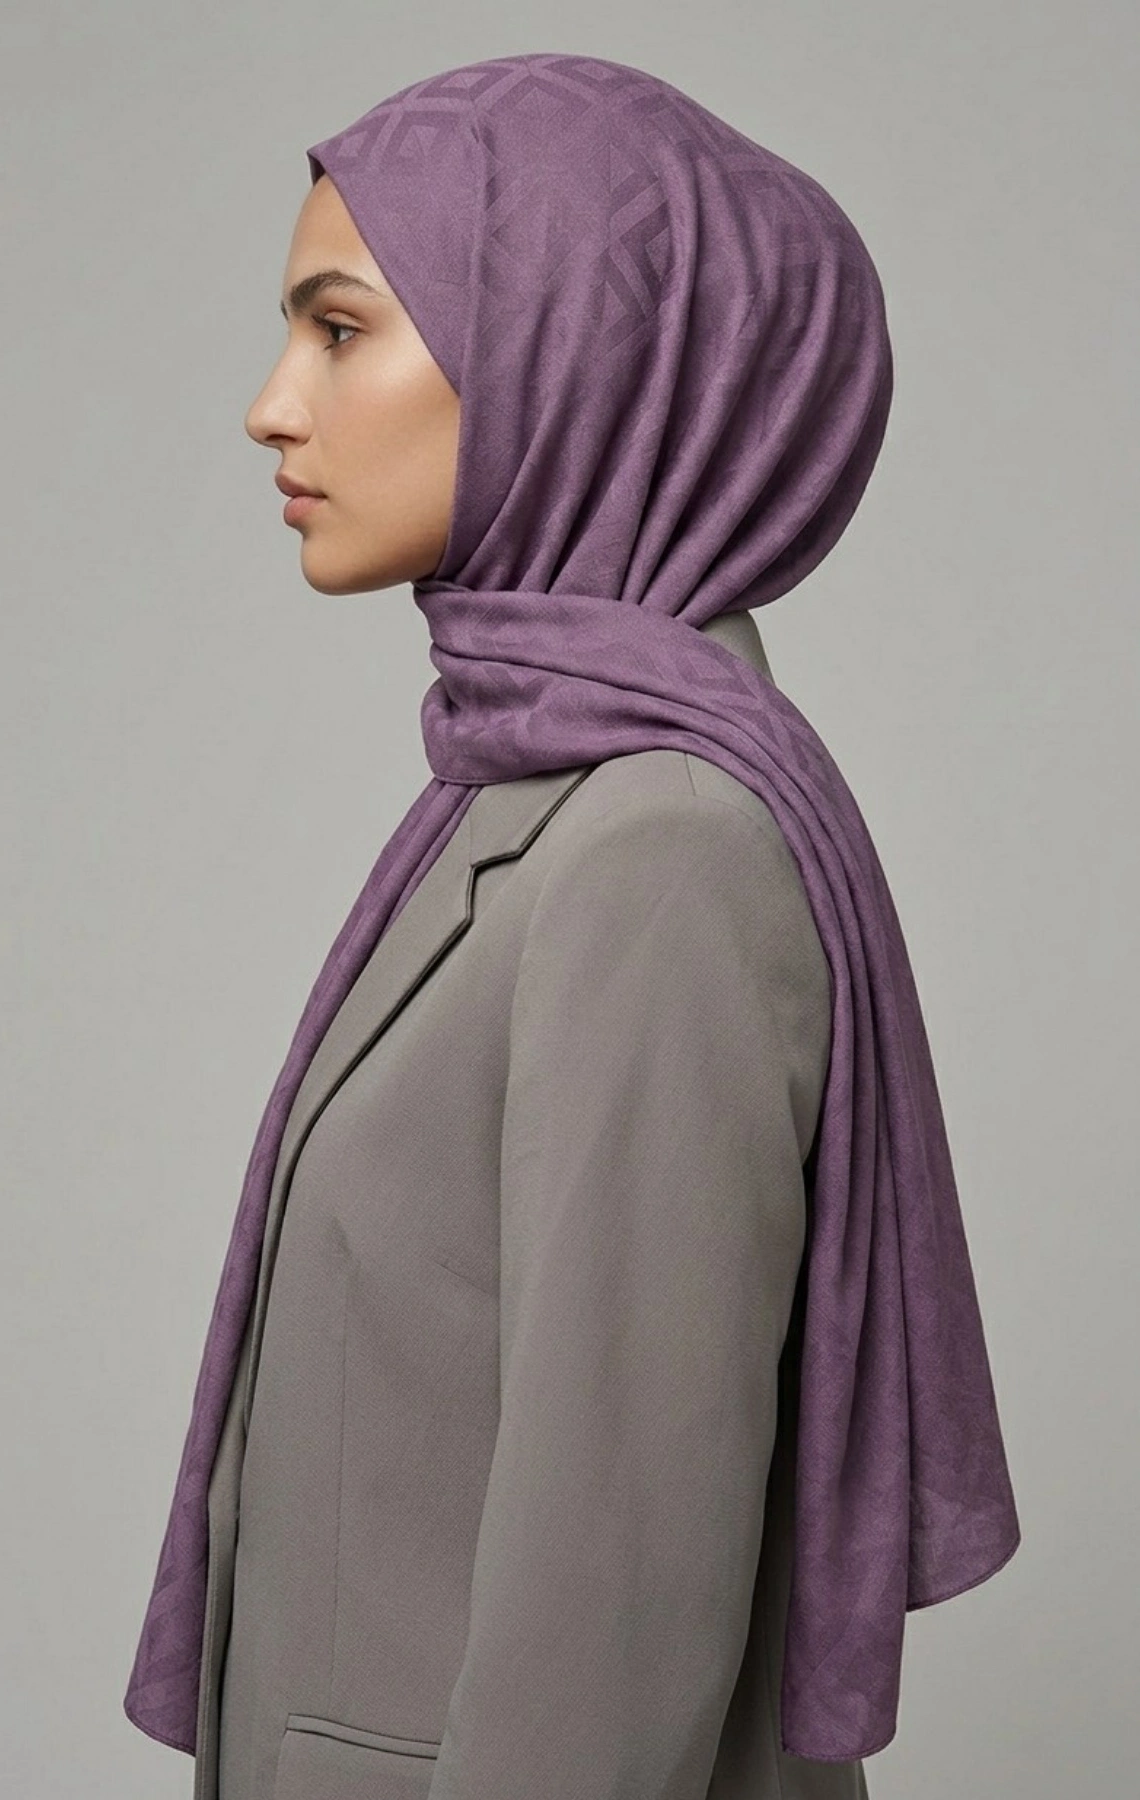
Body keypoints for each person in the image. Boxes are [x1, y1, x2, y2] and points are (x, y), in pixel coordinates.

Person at [123, 53, 1021, 1800]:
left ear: (566, 355)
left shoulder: (659, 853)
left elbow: (613, 1613)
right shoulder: (518, 796)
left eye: (338, 329)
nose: (271, 407)